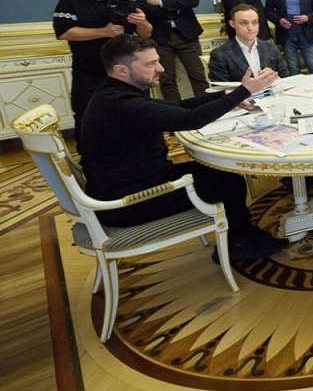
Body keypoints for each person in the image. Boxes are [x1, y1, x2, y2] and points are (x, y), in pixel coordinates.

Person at [79, 34, 287, 260]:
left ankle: (237, 237)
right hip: (128, 202)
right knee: (229, 182)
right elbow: (191, 119)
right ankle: (241, 242)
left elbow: (179, 106)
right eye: (150, 64)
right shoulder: (123, 104)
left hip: (130, 182)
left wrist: (225, 96)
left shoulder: (114, 93)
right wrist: (243, 92)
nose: (160, 68)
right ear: (121, 70)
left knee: (223, 174)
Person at [53, 0, 151, 142]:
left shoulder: (125, 1)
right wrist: (104, 32)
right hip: (90, 73)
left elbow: (145, 34)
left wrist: (143, 22)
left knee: (138, 113)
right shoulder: (70, 3)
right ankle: (89, 154)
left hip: (128, 72)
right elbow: (64, 32)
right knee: (88, 115)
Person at [130, 0, 207, 100]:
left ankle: (206, 110)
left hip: (187, 34)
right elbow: (142, 8)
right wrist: (178, 2)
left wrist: (159, 1)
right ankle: (176, 113)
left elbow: (194, 0)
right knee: (166, 80)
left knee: (198, 76)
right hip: (158, 37)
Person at [208, 4, 288, 81]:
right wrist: (246, 87)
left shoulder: (272, 49)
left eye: (254, 22)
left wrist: (274, 77)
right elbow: (219, 88)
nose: (250, 28)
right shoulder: (220, 55)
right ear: (232, 24)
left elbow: (285, 79)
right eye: (244, 23)